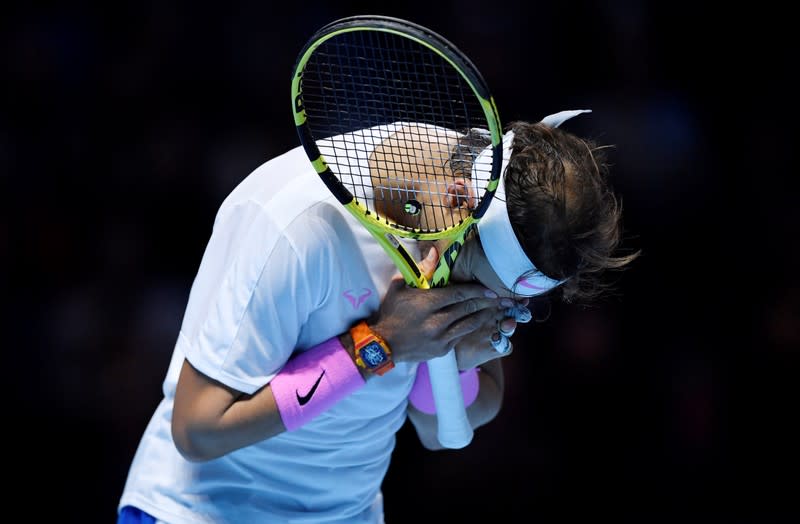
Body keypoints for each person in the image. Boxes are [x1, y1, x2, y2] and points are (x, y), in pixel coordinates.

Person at [117, 109, 638, 523]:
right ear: (460, 203)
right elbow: (198, 429)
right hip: (200, 513)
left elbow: (441, 429)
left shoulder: (501, 217)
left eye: (508, 303)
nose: (488, 305)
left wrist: (458, 361)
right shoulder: (296, 227)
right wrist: (381, 344)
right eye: (480, 288)